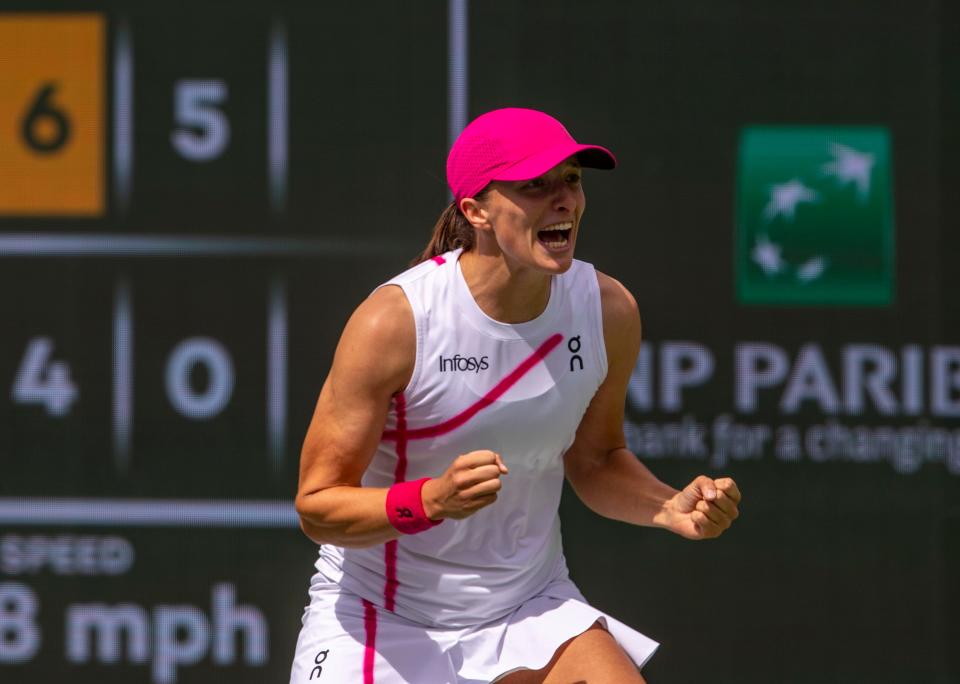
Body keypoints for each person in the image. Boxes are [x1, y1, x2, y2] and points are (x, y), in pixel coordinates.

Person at [290, 108, 741, 684]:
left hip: (531, 607)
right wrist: (430, 500)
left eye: (573, 180)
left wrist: (666, 506)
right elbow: (319, 504)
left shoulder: (607, 311)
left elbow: (597, 461)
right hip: (383, 620)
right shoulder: (395, 322)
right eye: (535, 185)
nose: (564, 201)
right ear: (475, 210)